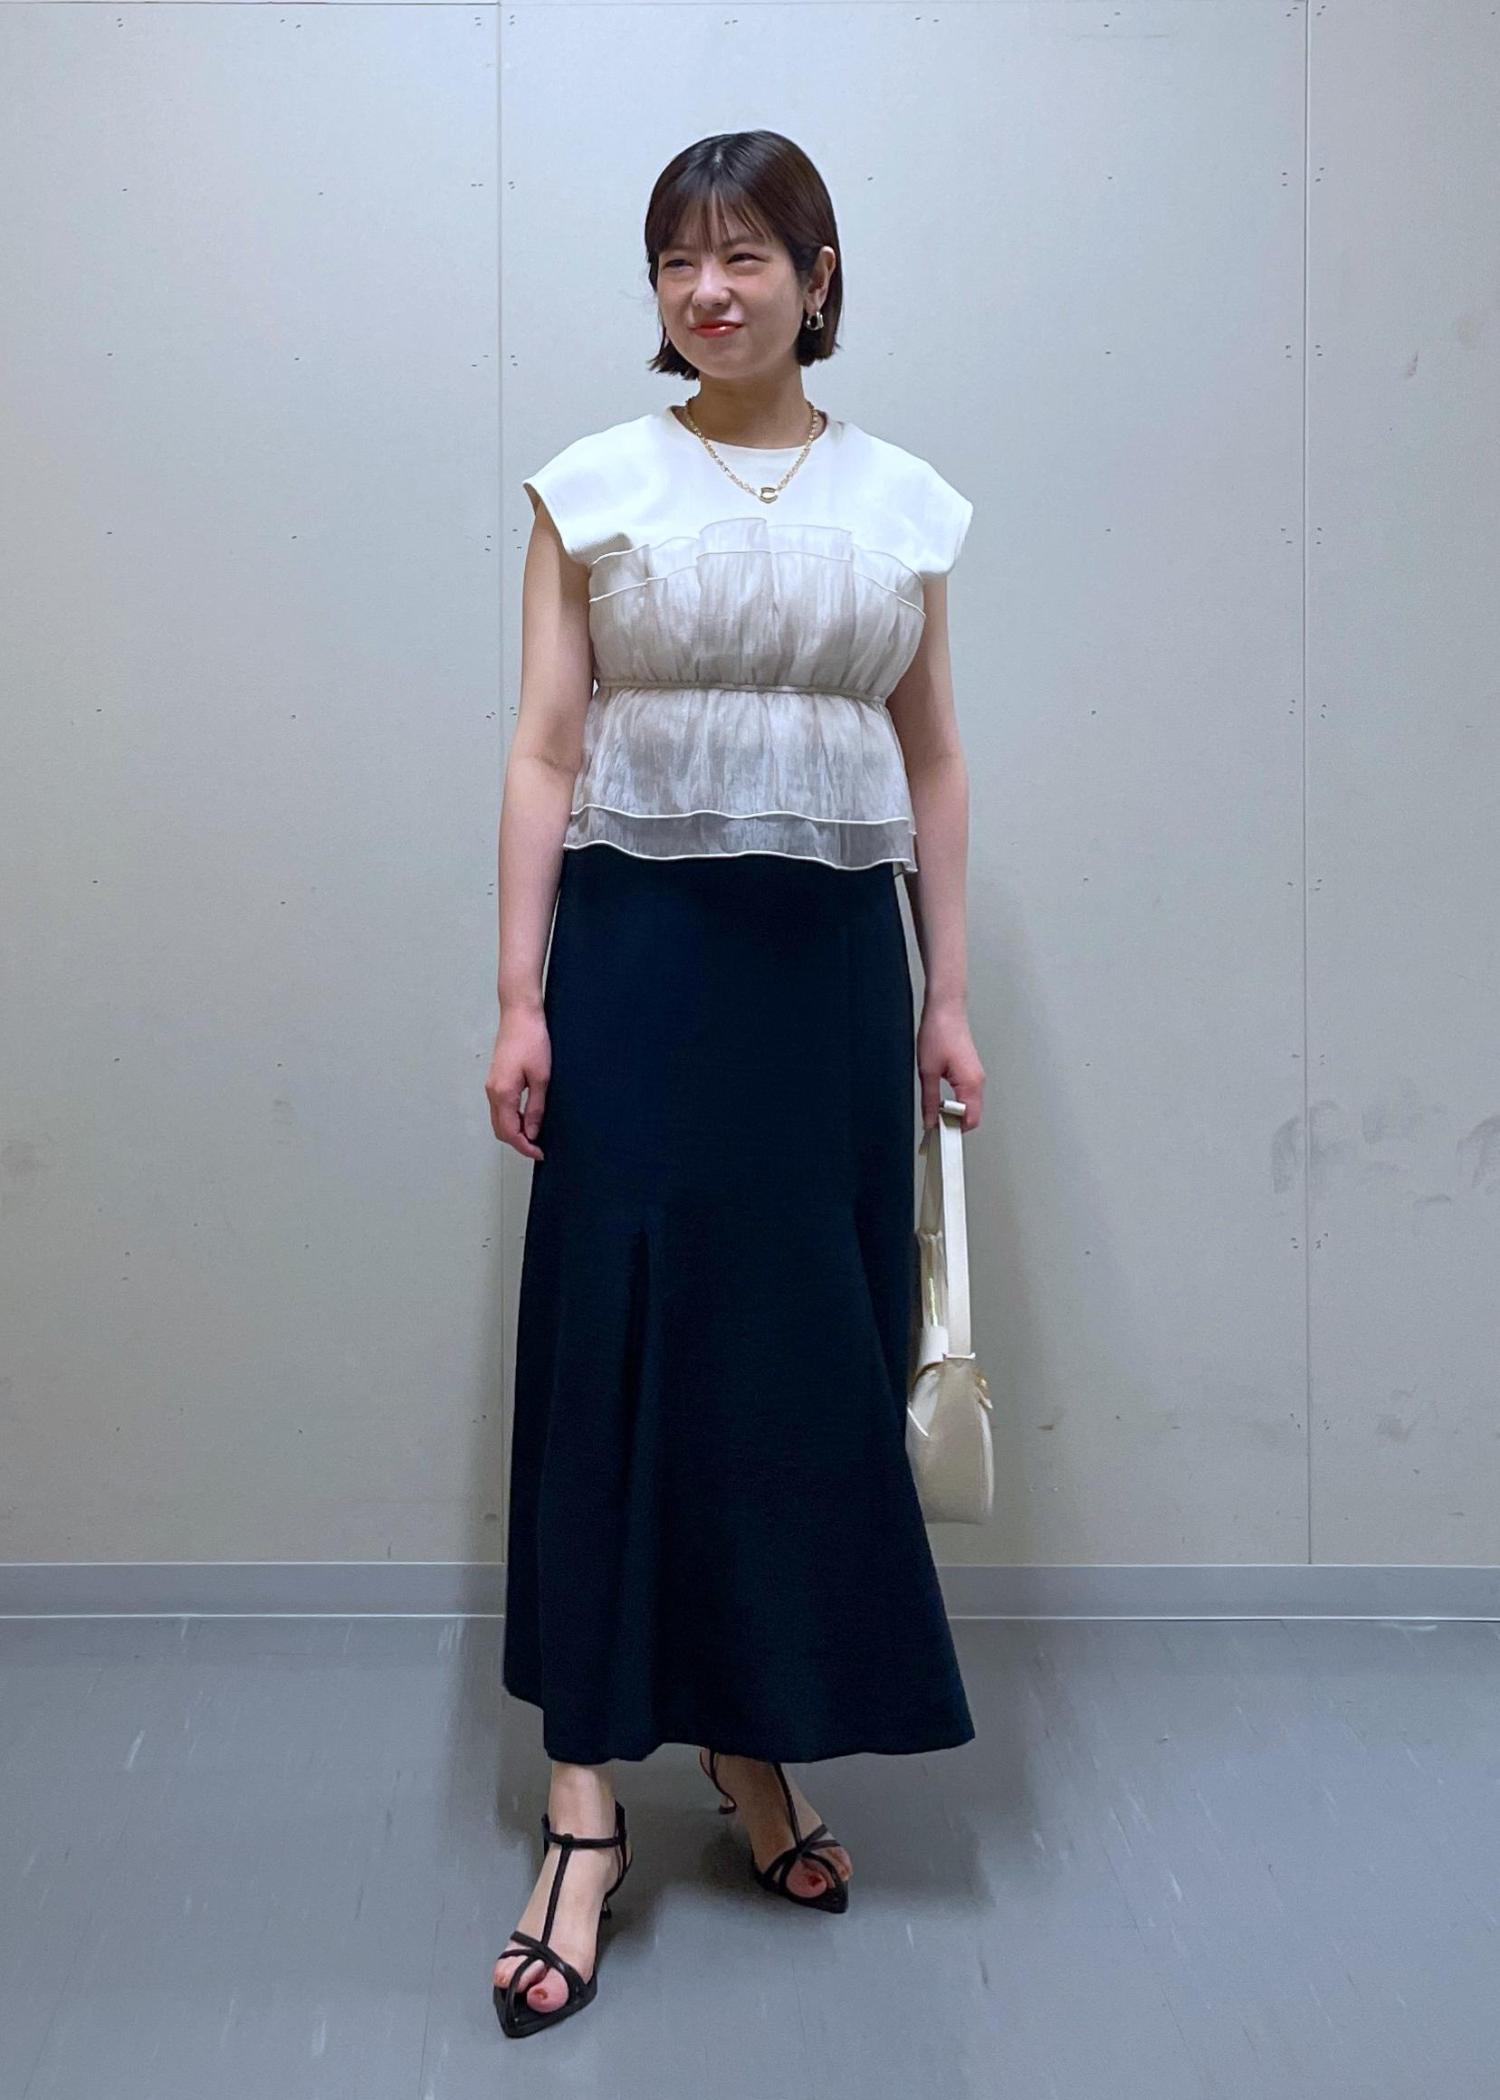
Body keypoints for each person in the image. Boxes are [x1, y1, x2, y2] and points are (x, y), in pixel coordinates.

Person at [486, 128, 986, 2039]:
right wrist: (520, 996)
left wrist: (947, 995)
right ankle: (584, 1805)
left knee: (793, 1357)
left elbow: (932, 760)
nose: (711, 291)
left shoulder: (905, 504)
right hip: (639, 961)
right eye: (679, 261)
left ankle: (755, 1743)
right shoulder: (591, 488)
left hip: (828, 977)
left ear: (818, 275)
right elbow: (547, 750)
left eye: (748, 256)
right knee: (614, 1343)